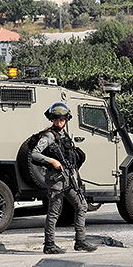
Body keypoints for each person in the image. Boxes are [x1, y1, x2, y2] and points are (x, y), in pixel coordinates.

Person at [31, 102, 96, 254]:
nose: (59, 122)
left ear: (66, 120)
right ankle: (49, 244)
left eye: (61, 120)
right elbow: (35, 153)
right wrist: (52, 161)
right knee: (54, 212)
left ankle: (80, 241)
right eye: (56, 120)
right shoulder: (49, 136)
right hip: (56, 179)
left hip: (68, 178)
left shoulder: (64, 135)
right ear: (52, 120)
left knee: (82, 206)